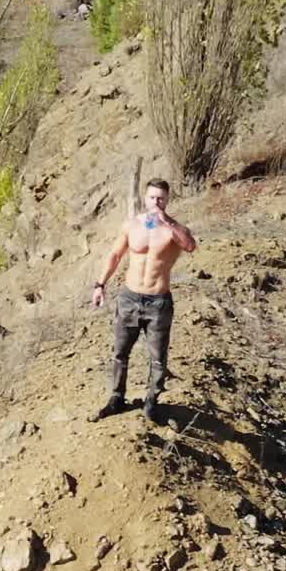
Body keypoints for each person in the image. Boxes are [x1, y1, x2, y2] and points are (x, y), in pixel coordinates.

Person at [91, 178, 197, 424]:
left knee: (158, 357)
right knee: (120, 352)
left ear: (168, 200)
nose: (156, 202)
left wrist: (167, 223)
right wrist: (100, 285)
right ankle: (117, 397)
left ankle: (151, 402)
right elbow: (115, 255)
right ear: (145, 198)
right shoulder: (132, 225)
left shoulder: (174, 229)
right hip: (129, 297)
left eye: (161, 198)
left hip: (158, 301)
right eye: (152, 197)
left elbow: (190, 246)